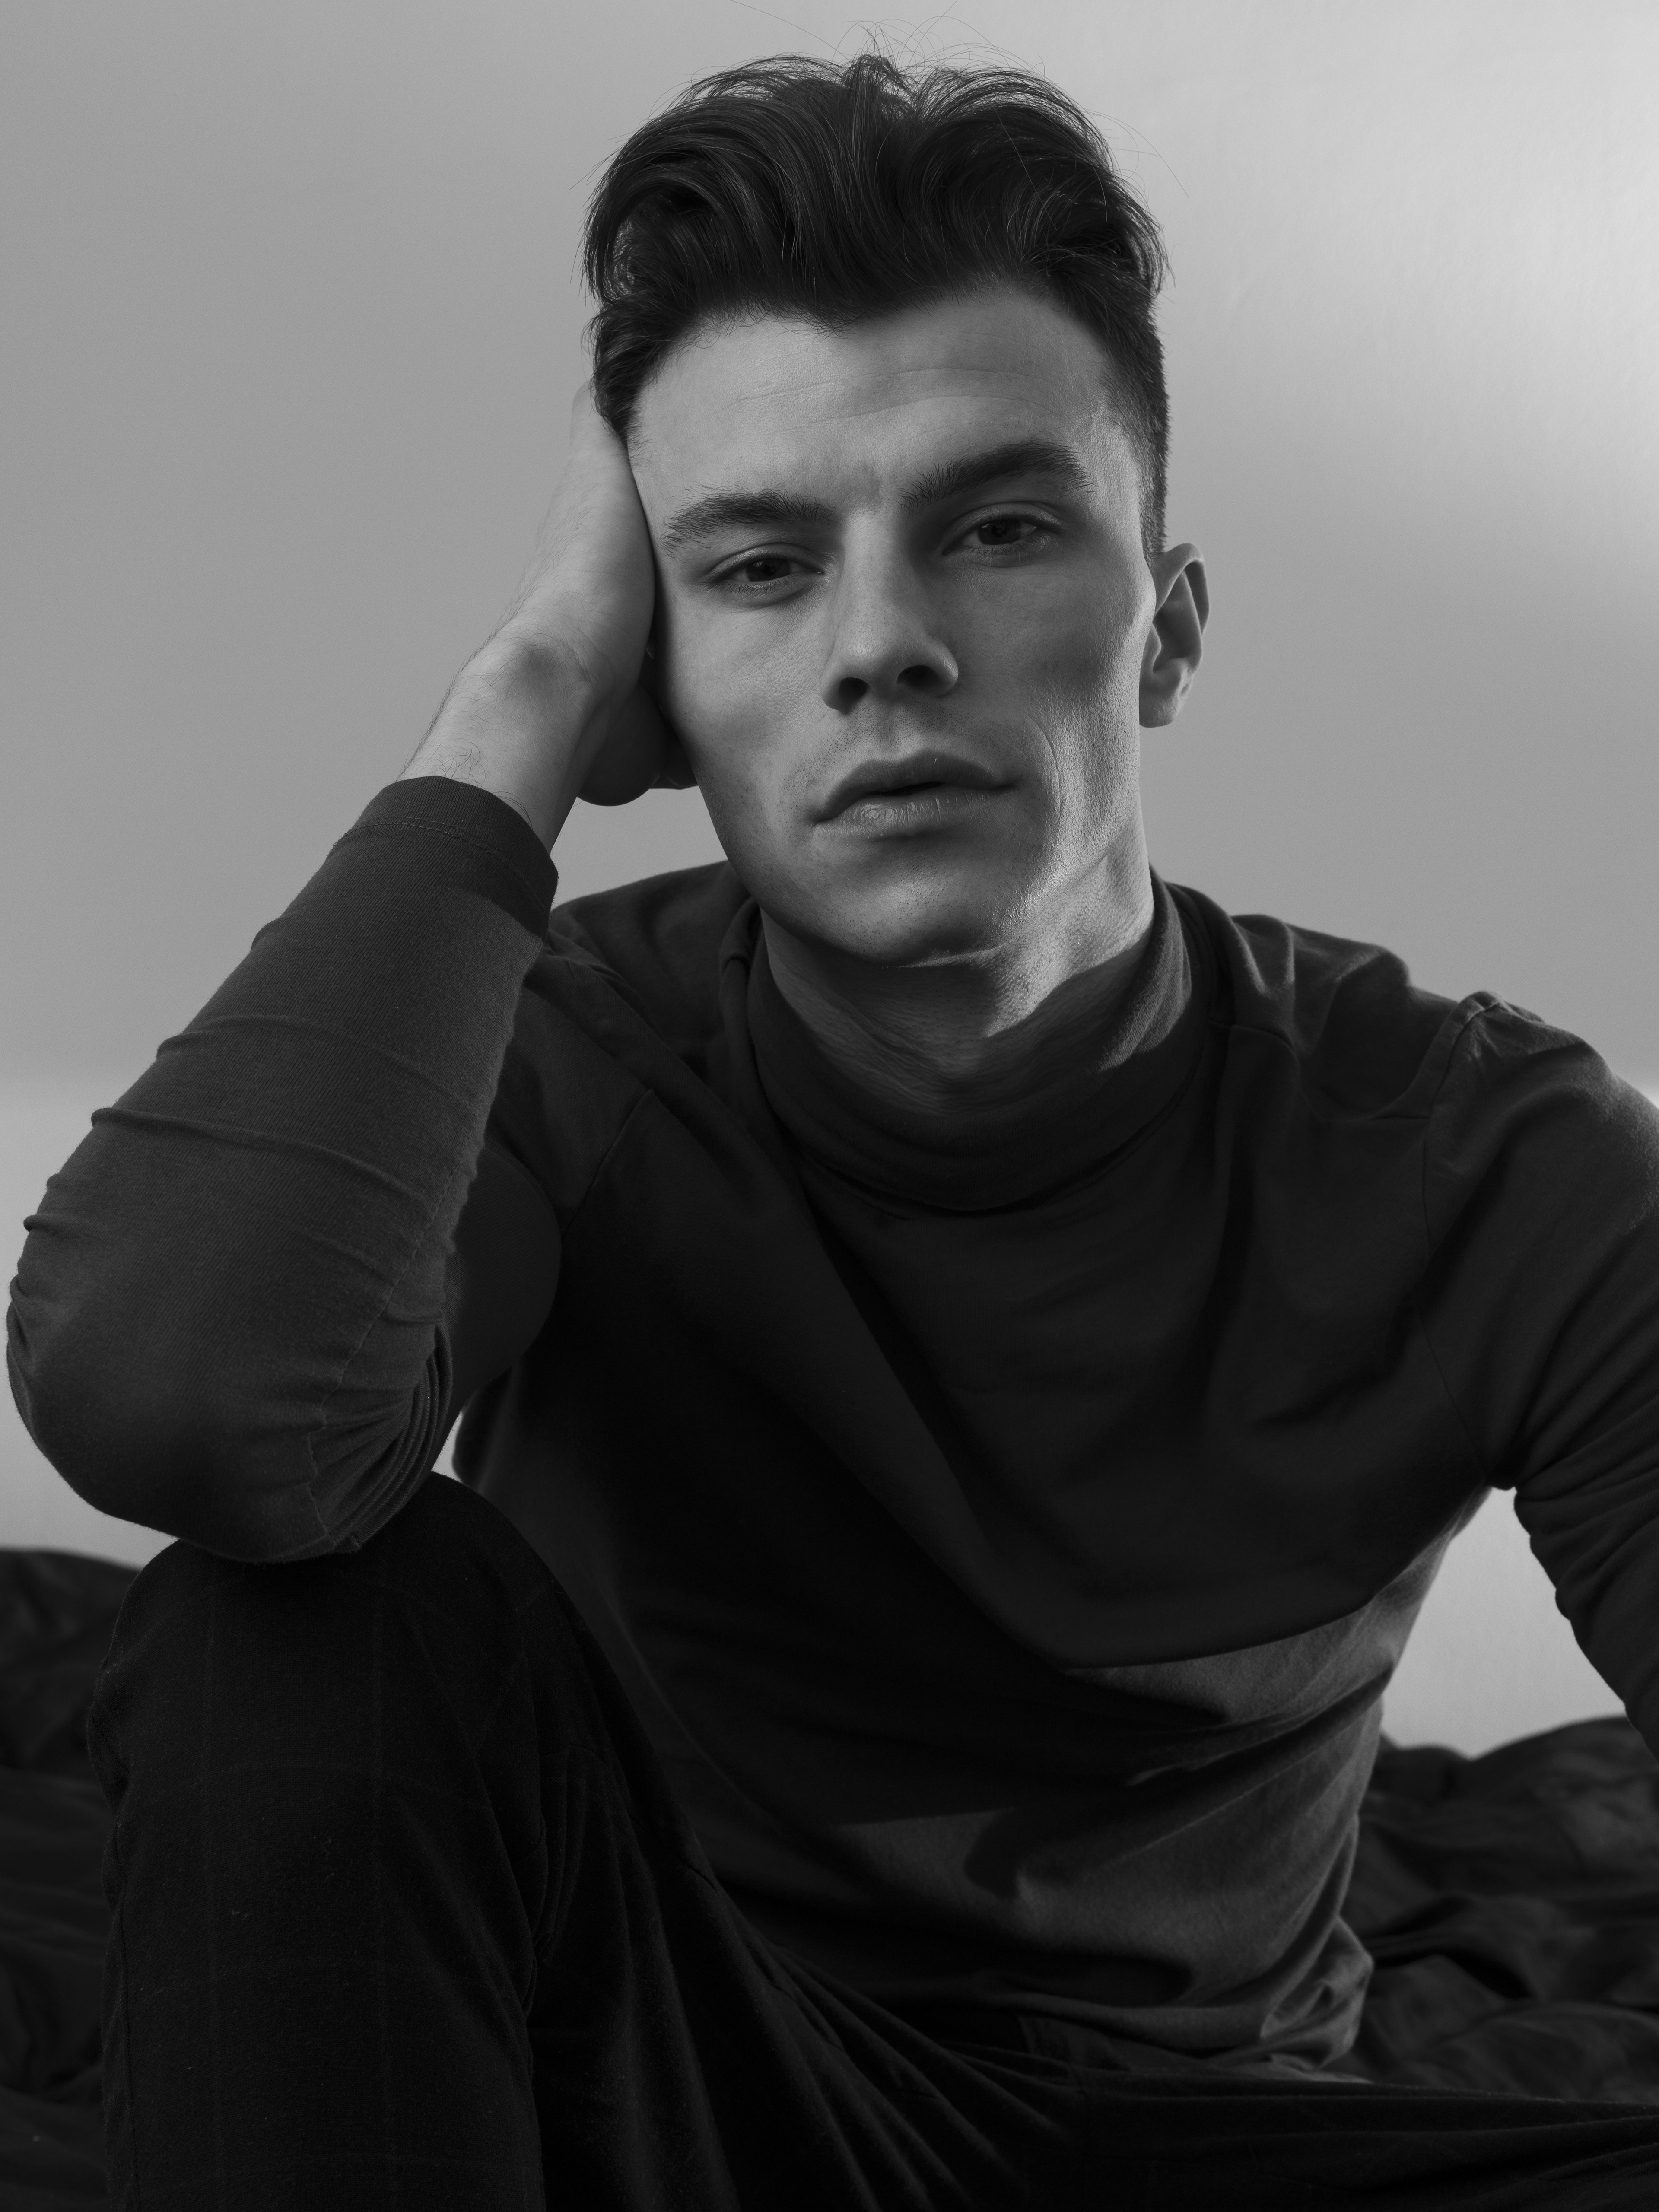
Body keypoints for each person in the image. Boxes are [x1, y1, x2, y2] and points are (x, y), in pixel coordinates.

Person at [9, 50, 1659, 2212]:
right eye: (762, 567)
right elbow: (180, 1400)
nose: (885, 645)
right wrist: (520, 695)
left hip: (1225, 2131)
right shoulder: (565, 1055)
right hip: (687, 2076)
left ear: (1165, 631)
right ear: (660, 683)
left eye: (999, 527)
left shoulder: (1491, 1153)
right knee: (288, 1614)